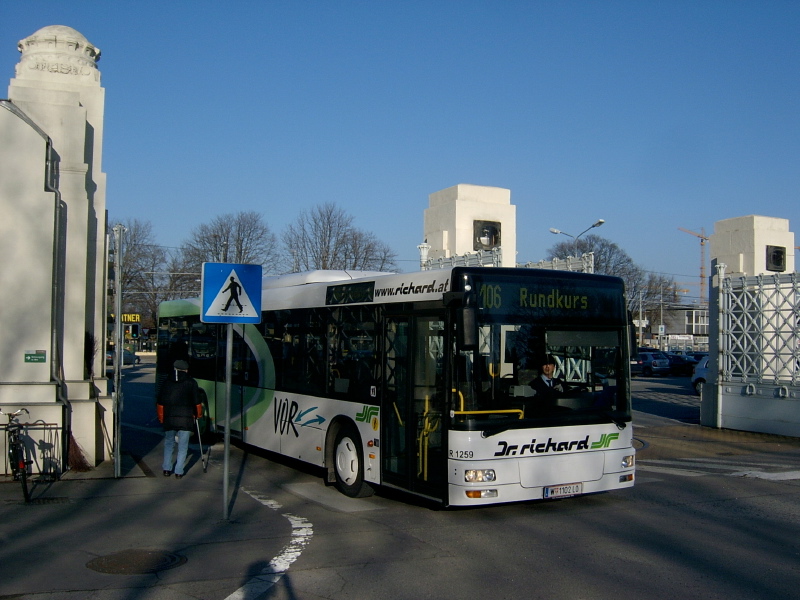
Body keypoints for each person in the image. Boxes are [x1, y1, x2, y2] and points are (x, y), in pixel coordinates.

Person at [157, 359, 202, 479]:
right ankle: (179, 471)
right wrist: (198, 415)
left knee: (169, 443)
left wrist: (161, 418)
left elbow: (160, 402)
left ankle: (166, 469)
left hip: (169, 419)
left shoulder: (166, 382)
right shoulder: (191, 382)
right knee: (183, 446)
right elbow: (197, 402)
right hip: (186, 419)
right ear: (186, 370)